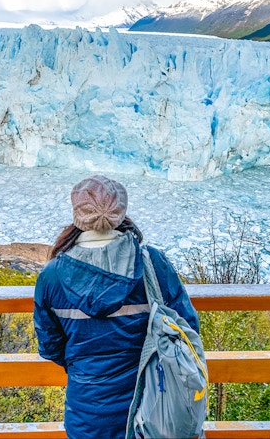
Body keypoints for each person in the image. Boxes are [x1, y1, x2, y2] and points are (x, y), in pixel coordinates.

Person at [33, 174, 199, 439]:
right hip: (151, 406)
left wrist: (85, 366)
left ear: (78, 213)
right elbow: (187, 327)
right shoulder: (151, 262)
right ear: (120, 211)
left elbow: (51, 346)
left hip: (86, 414)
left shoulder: (52, 275)